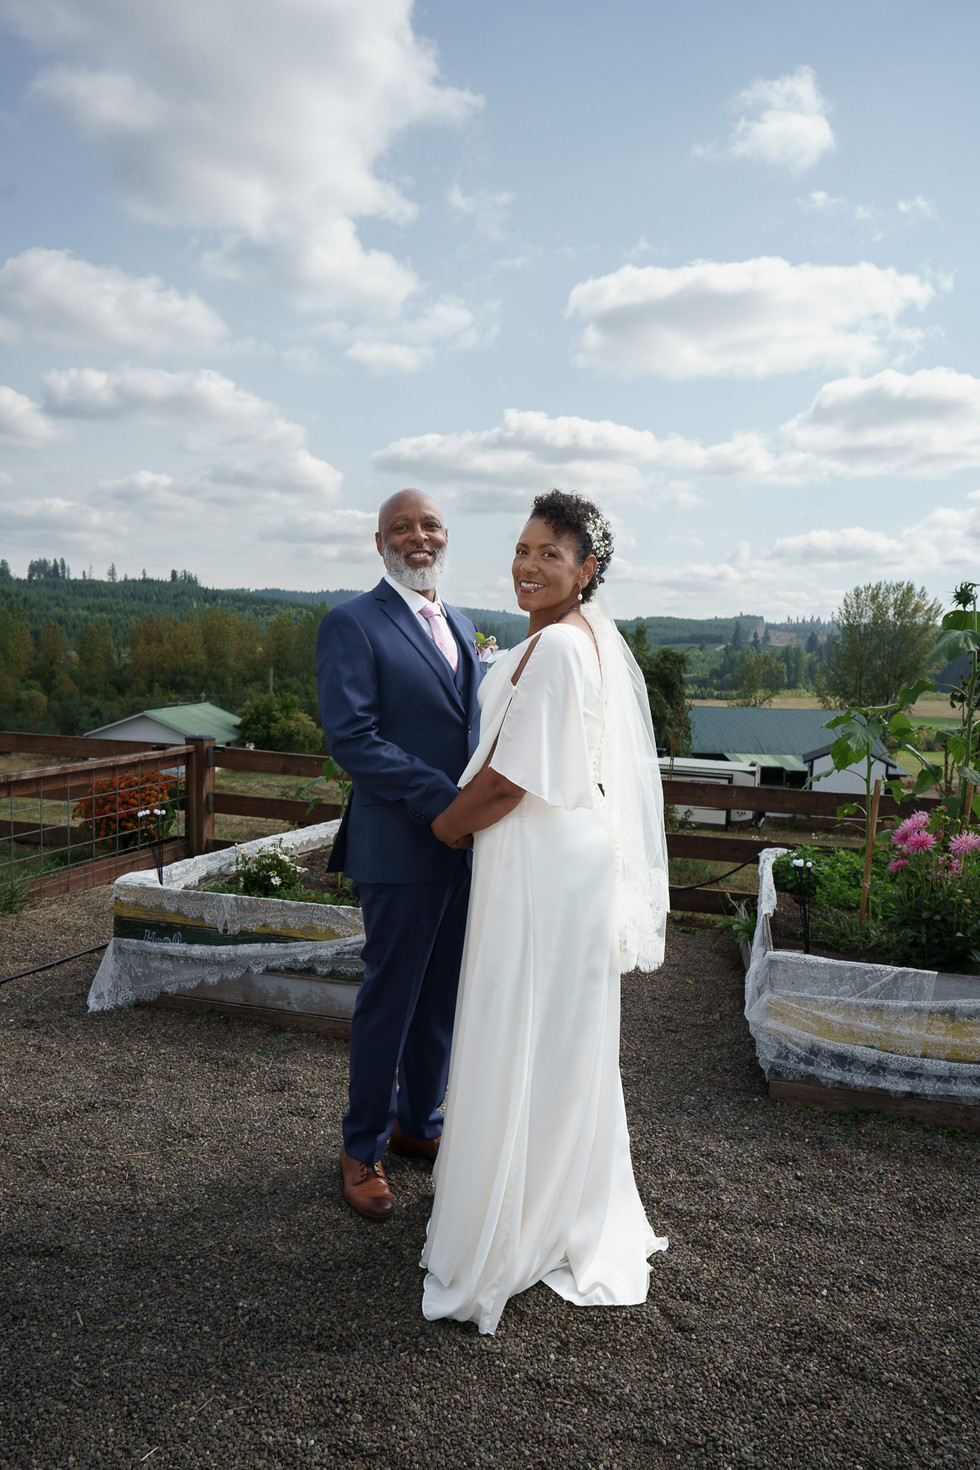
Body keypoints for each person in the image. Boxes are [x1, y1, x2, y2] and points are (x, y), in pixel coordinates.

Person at [420, 489, 669, 1333]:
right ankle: (546, 1198)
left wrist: (443, 829)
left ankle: (513, 1225)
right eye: (522, 550)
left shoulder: (562, 648)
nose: (528, 565)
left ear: (586, 569)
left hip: (540, 860)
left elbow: (506, 780)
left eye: (549, 555)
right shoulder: (571, 639)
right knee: (553, 1039)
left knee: (520, 1027)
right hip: (560, 857)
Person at [316, 489, 482, 1221]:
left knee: (442, 999)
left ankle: (420, 1123)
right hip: (401, 844)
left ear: (447, 537)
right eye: (403, 528)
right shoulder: (353, 623)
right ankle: (362, 1148)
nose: (419, 537)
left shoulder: (465, 623)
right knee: (391, 1001)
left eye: (431, 525)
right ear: (378, 541)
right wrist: (445, 800)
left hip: (469, 847)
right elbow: (353, 737)